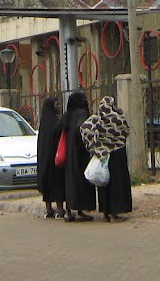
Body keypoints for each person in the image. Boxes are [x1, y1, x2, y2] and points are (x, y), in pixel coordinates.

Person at [80, 95, 132, 222]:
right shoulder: (117, 118)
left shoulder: (97, 119)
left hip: (102, 156)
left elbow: (84, 128)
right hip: (117, 155)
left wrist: (92, 145)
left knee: (103, 184)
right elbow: (126, 130)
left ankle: (105, 214)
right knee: (116, 184)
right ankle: (115, 213)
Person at [59, 91, 96, 222]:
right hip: (80, 153)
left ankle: (69, 211)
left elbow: (60, 127)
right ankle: (80, 211)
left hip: (69, 154)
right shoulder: (82, 113)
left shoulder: (68, 114)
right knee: (81, 182)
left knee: (70, 182)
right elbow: (80, 128)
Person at [36, 96, 65, 219]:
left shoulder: (43, 123)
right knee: (57, 183)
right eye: (57, 105)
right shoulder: (56, 122)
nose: (59, 107)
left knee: (47, 184)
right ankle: (60, 209)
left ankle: (49, 209)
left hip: (45, 159)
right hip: (55, 159)